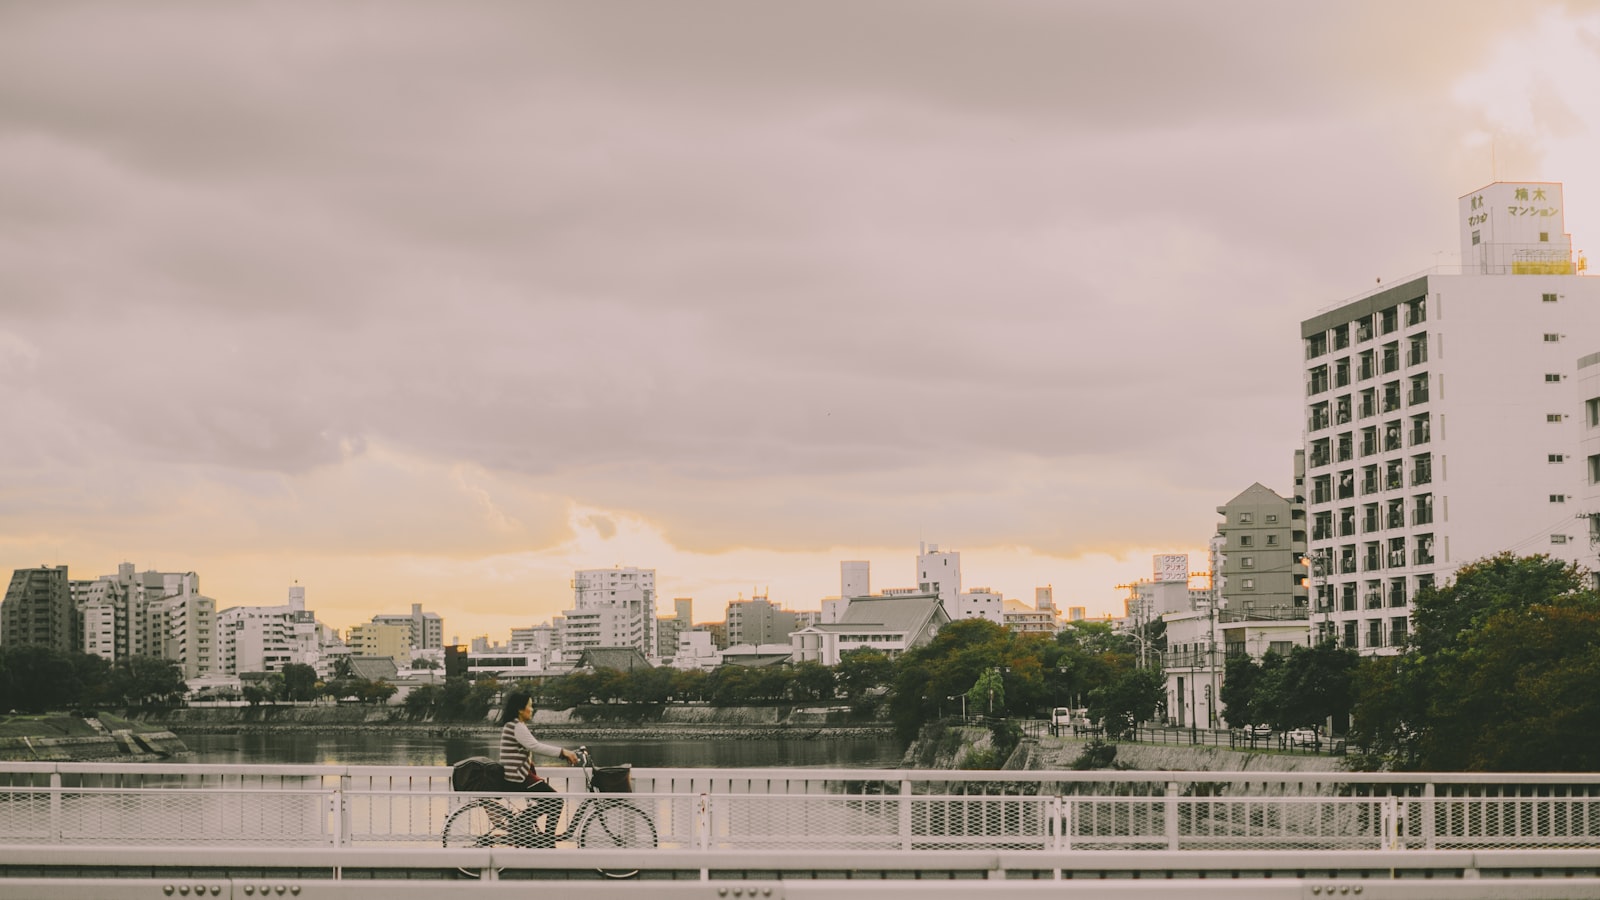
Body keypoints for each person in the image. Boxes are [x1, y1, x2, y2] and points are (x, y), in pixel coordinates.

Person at [498, 690, 579, 846]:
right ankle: (547, 842)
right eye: (530, 705)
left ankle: (524, 826)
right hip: (518, 777)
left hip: (519, 775)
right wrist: (563, 752)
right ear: (520, 709)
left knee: (550, 802)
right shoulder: (516, 726)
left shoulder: (514, 725)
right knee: (555, 801)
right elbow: (534, 746)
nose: (532, 709)